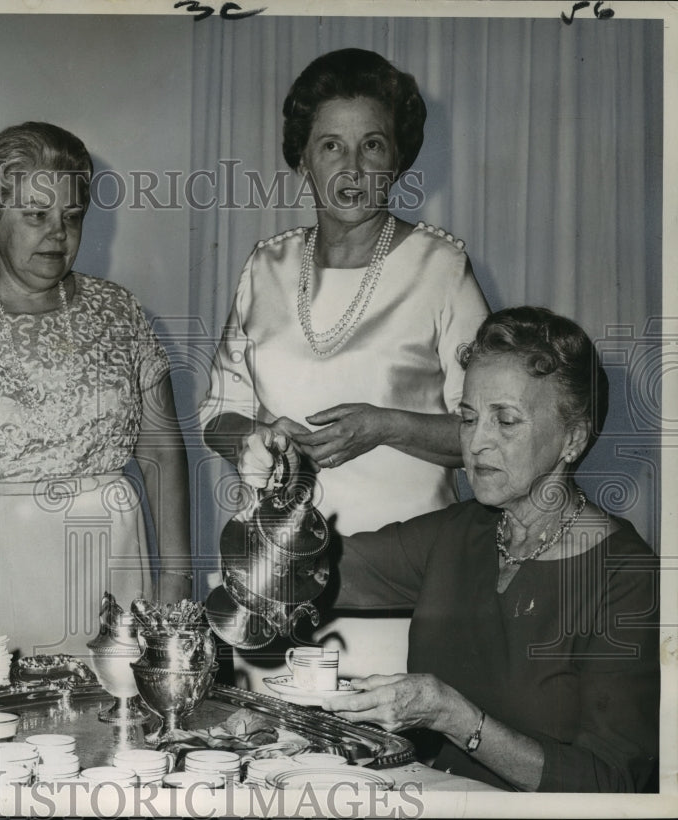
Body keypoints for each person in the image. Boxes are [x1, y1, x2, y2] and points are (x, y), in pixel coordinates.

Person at [199, 48, 489, 684]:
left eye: (373, 146)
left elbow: (490, 439)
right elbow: (216, 414)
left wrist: (385, 426)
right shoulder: (264, 268)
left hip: (399, 593)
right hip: (269, 587)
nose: (352, 169)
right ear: (302, 160)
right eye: (331, 146)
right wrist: (252, 436)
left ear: (398, 159)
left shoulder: (440, 269)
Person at [313, 307, 658, 792]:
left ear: (572, 439)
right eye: (469, 418)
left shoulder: (625, 574)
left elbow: (612, 784)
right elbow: (312, 573)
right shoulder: (461, 531)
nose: (476, 444)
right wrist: (278, 489)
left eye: (506, 421)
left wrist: (453, 715)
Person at [0, 122, 192, 659]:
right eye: (36, 215)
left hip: (109, 570)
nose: (57, 233)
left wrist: (177, 579)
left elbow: (162, 451)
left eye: (71, 217)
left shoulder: (119, 311)